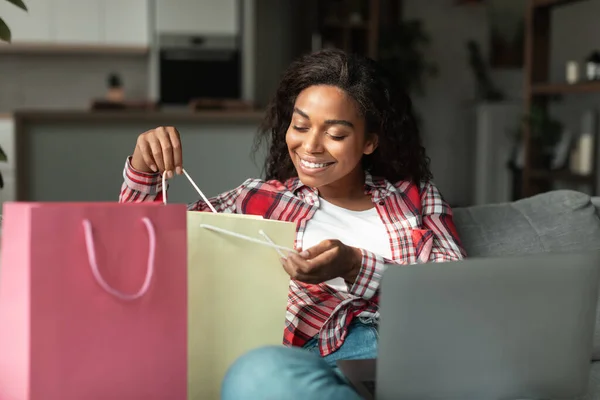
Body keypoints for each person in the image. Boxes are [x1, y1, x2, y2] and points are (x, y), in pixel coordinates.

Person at [119, 49, 466, 399]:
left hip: (404, 355)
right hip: (305, 360)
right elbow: (145, 248)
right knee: (256, 373)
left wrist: (354, 265)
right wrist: (144, 169)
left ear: (369, 141)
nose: (310, 146)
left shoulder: (413, 197)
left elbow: (454, 291)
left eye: (336, 134)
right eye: (300, 126)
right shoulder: (258, 200)